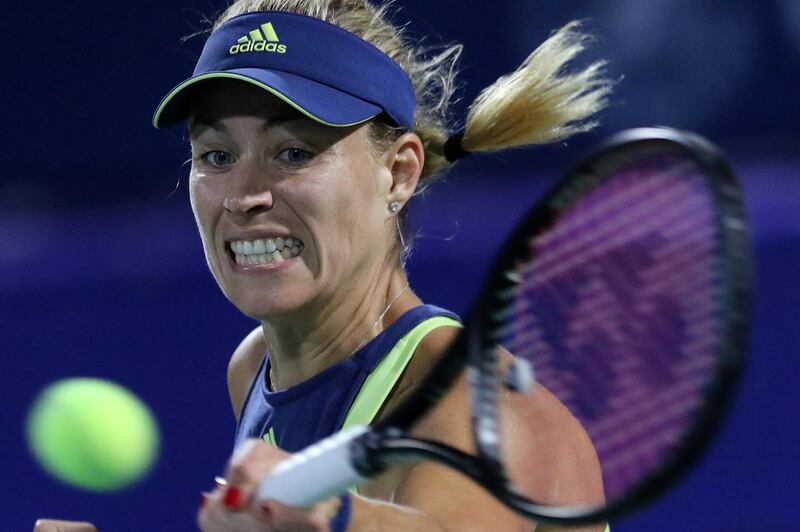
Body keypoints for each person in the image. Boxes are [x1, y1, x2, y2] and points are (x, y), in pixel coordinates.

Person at [36, 0, 612, 530]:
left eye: (294, 153)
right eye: (217, 156)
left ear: (400, 172)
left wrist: (337, 518)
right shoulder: (257, 366)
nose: (244, 196)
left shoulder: (483, 414)